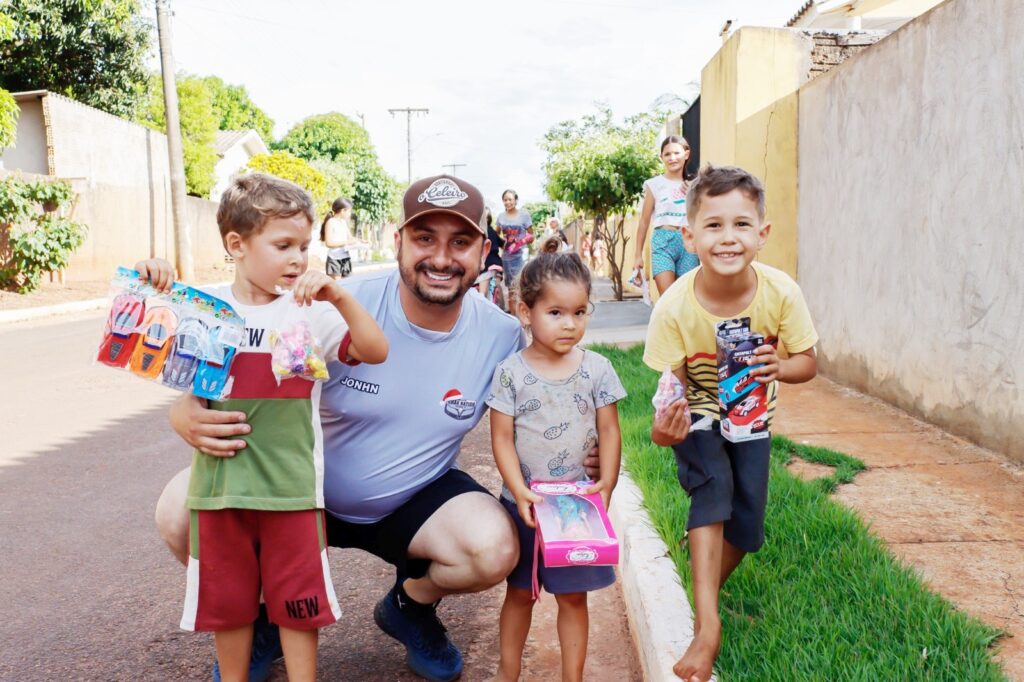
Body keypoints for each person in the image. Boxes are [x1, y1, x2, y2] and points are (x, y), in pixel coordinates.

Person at [155, 174, 528, 682]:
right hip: (293, 487)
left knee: (493, 547)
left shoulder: (501, 334)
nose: (441, 258)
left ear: (483, 250)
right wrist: (185, 410)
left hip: (411, 498)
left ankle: (408, 606)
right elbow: (236, 349)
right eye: (425, 239)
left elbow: (538, 410)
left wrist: (584, 455)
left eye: (459, 242)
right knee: (180, 509)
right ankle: (260, 615)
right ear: (398, 241)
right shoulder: (327, 303)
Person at [136, 173, 389, 682]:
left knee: (298, 604)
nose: (299, 258)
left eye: (304, 245)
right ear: (237, 245)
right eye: (283, 245)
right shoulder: (204, 311)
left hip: (292, 491)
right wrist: (152, 277)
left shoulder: (309, 313)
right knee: (227, 606)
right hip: (220, 491)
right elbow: (144, 327)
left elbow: (375, 350)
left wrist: (338, 298)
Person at [642, 165, 819, 682]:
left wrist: (780, 366)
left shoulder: (781, 292)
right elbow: (668, 398)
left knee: (747, 522)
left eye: (741, 225)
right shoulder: (673, 308)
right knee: (713, 490)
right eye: (713, 226)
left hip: (752, 416)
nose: (727, 238)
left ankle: (702, 578)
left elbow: (807, 362)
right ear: (689, 236)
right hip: (699, 412)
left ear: (762, 235)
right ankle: (708, 627)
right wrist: (663, 432)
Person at [486, 251, 624, 682]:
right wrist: (518, 491)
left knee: (573, 599)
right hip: (524, 505)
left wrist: (607, 485)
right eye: (556, 312)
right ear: (526, 312)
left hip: (576, 511)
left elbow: (610, 431)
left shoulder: (597, 369)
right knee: (520, 594)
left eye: (579, 312)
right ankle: (508, 674)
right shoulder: (509, 373)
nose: (570, 323)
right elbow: (501, 438)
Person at [633, 136, 700, 296]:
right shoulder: (654, 184)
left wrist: (695, 189)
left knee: (687, 297)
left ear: (686, 154)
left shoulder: (696, 185)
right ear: (661, 157)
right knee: (668, 299)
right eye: (667, 154)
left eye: (676, 153)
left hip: (689, 242)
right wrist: (638, 256)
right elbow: (644, 222)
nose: (672, 158)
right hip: (662, 242)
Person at [496, 189, 533, 307]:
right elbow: (496, 236)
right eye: (505, 200)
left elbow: (531, 236)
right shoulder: (500, 217)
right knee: (511, 287)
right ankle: (513, 318)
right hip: (507, 257)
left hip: (521, 255)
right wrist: (505, 244)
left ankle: (524, 314)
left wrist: (520, 242)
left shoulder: (524, 215)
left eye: (510, 199)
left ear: (516, 201)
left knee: (522, 284)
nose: (508, 202)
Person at [320, 197, 363, 280]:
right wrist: (346, 242)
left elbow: (350, 238)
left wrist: (360, 241)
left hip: (345, 258)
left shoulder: (343, 222)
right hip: (334, 259)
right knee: (338, 288)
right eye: (349, 211)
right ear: (343, 210)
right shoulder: (331, 222)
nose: (350, 213)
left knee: (347, 285)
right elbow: (328, 243)